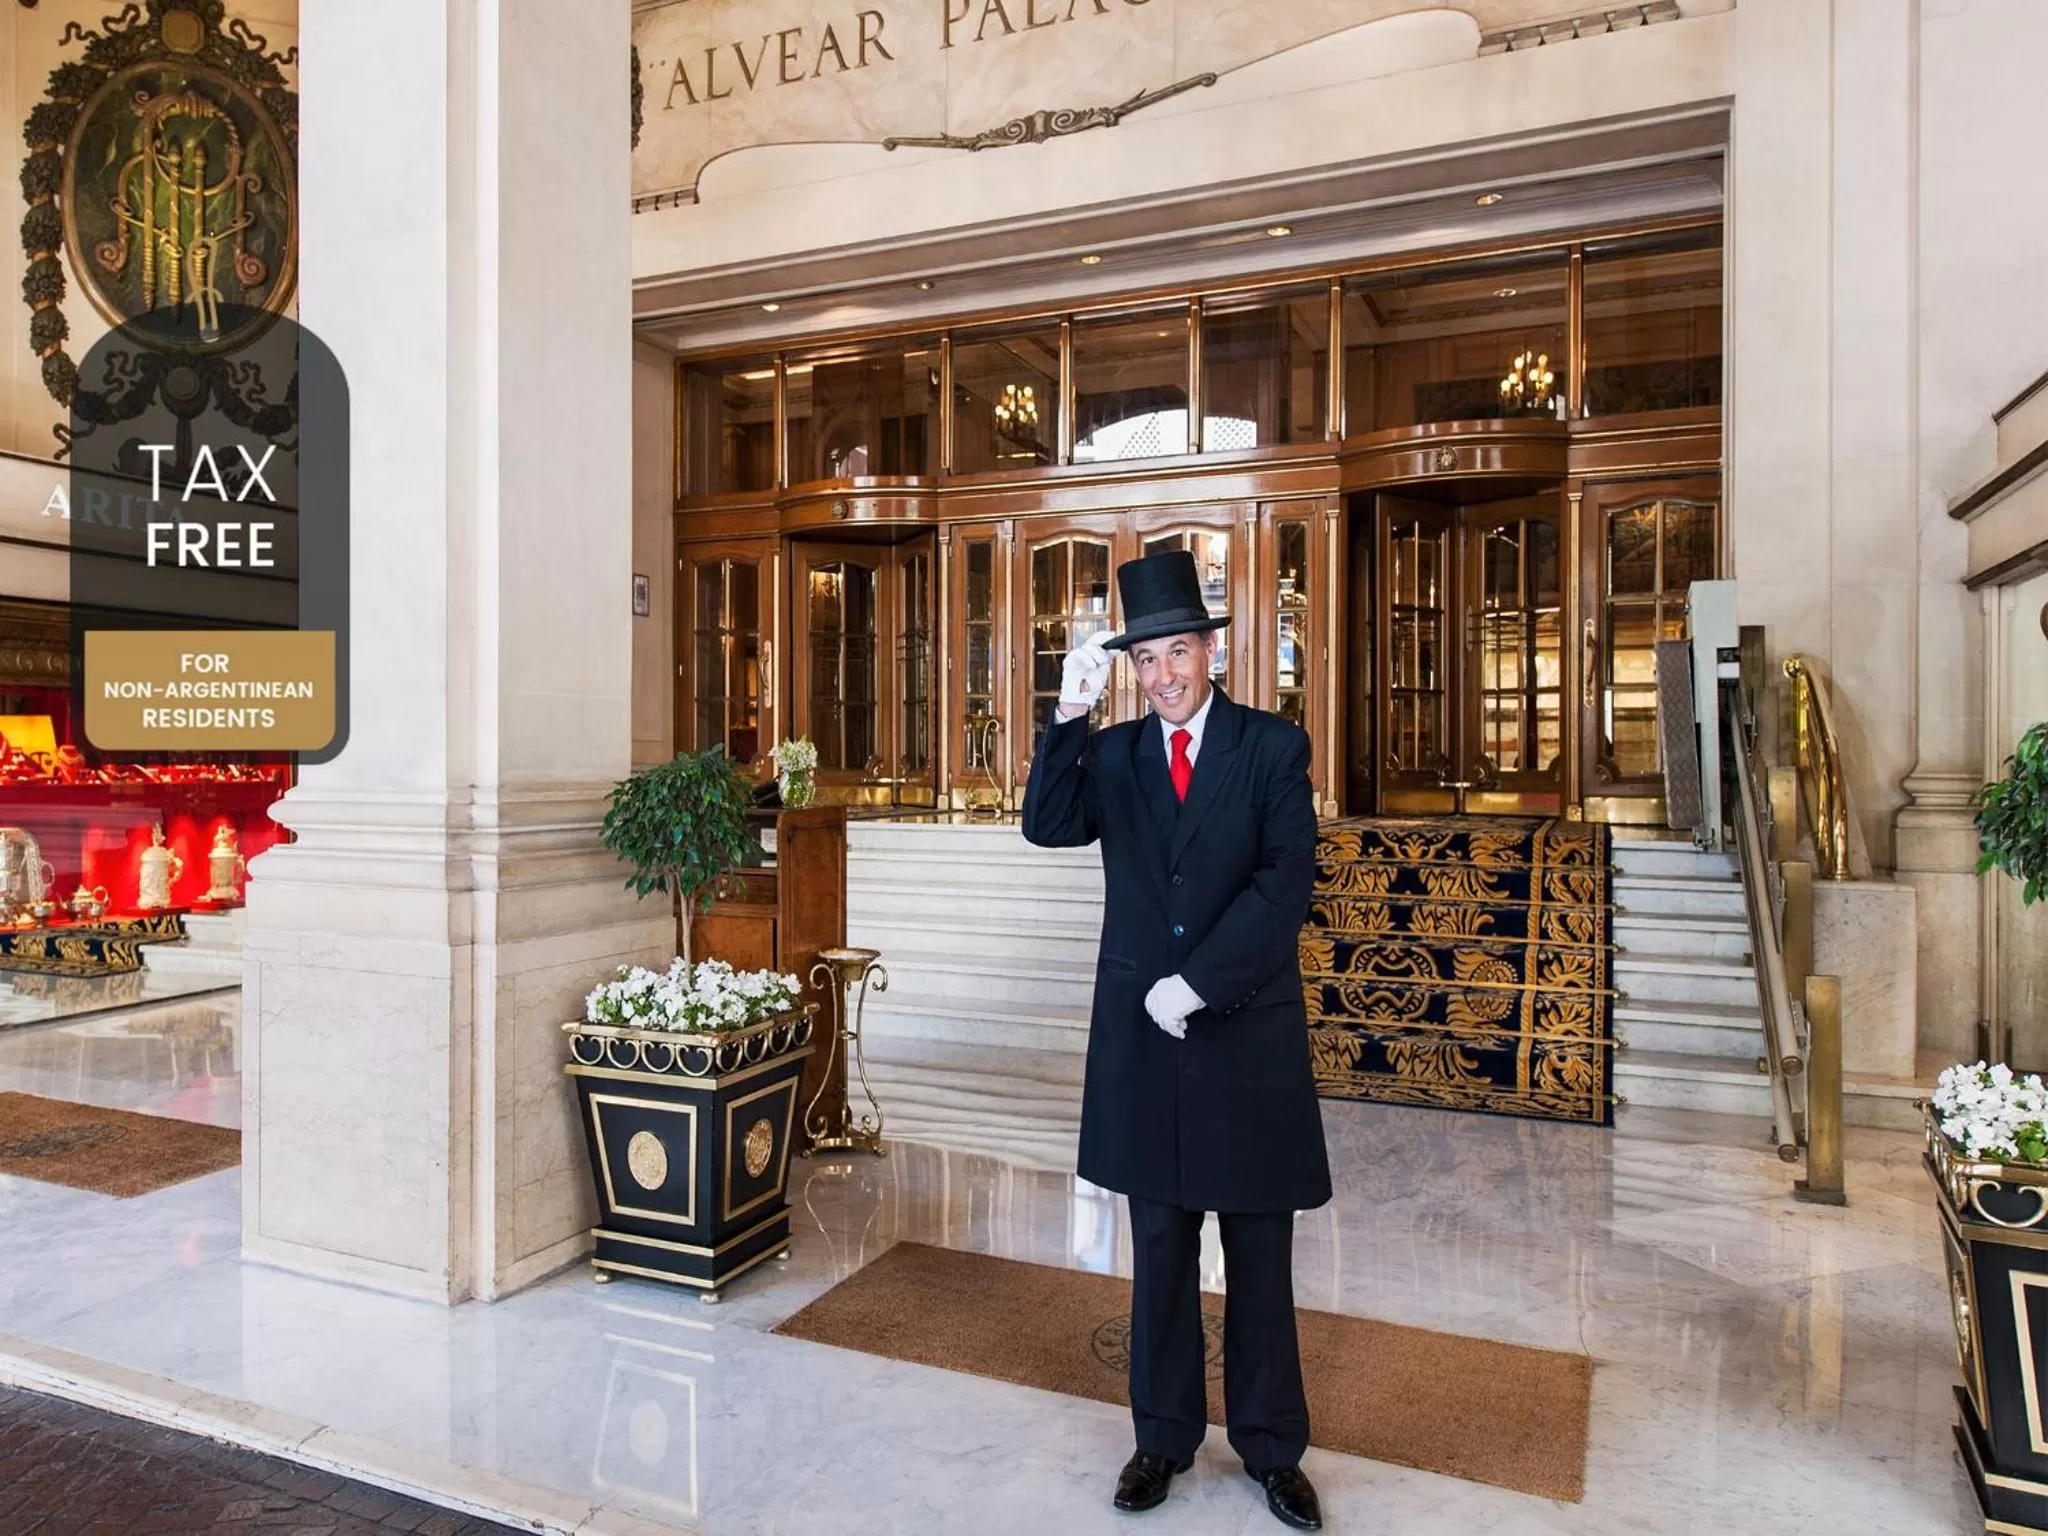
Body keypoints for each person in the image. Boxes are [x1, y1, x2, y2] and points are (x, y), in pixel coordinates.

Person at [1021, 549, 1331, 1531]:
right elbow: (1045, 827)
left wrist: (1197, 983)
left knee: (1257, 1256)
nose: (1161, 675)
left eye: (1176, 653)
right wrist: (1065, 720)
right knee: (1157, 1252)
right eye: (1143, 660)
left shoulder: (1271, 749)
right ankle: (1160, 1439)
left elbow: (1284, 884)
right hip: (1143, 1053)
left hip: (1244, 1042)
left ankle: (1272, 1452)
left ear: (1208, 650)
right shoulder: (1109, 755)